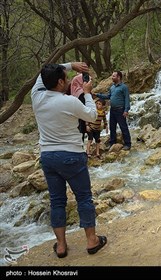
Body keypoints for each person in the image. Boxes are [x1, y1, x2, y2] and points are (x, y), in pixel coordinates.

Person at [31, 62, 107, 258]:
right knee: (83, 198)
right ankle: (92, 241)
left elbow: (41, 76)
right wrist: (87, 92)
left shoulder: (36, 97)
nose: (67, 79)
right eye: (65, 76)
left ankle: (62, 245)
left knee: (57, 201)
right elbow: (91, 115)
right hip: (72, 155)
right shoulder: (69, 102)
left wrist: (70, 65)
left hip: (48, 156)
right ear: (59, 82)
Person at [96, 71, 132, 150]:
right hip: (112, 110)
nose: (112, 77)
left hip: (120, 110)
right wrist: (98, 95)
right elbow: (108, 96)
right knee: (112, 127)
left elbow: (127, 99)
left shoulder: (124, 87)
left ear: (118, 77)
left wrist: (126, 110)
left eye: (113, 76)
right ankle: (112, 143)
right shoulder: (112, 87)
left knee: (123, 127)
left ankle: (128, 144)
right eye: (112, 76)